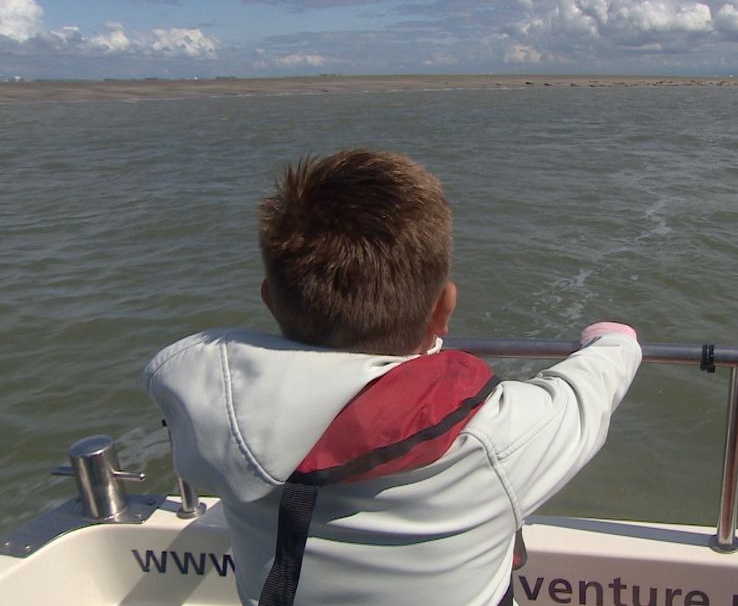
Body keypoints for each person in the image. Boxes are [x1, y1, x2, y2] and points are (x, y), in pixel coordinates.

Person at [142, 148, 641, 605]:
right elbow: (584, 394)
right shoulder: (491, 440)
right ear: (444, 307)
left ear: (269, 298)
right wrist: (614, 339)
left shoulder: (209, 411)